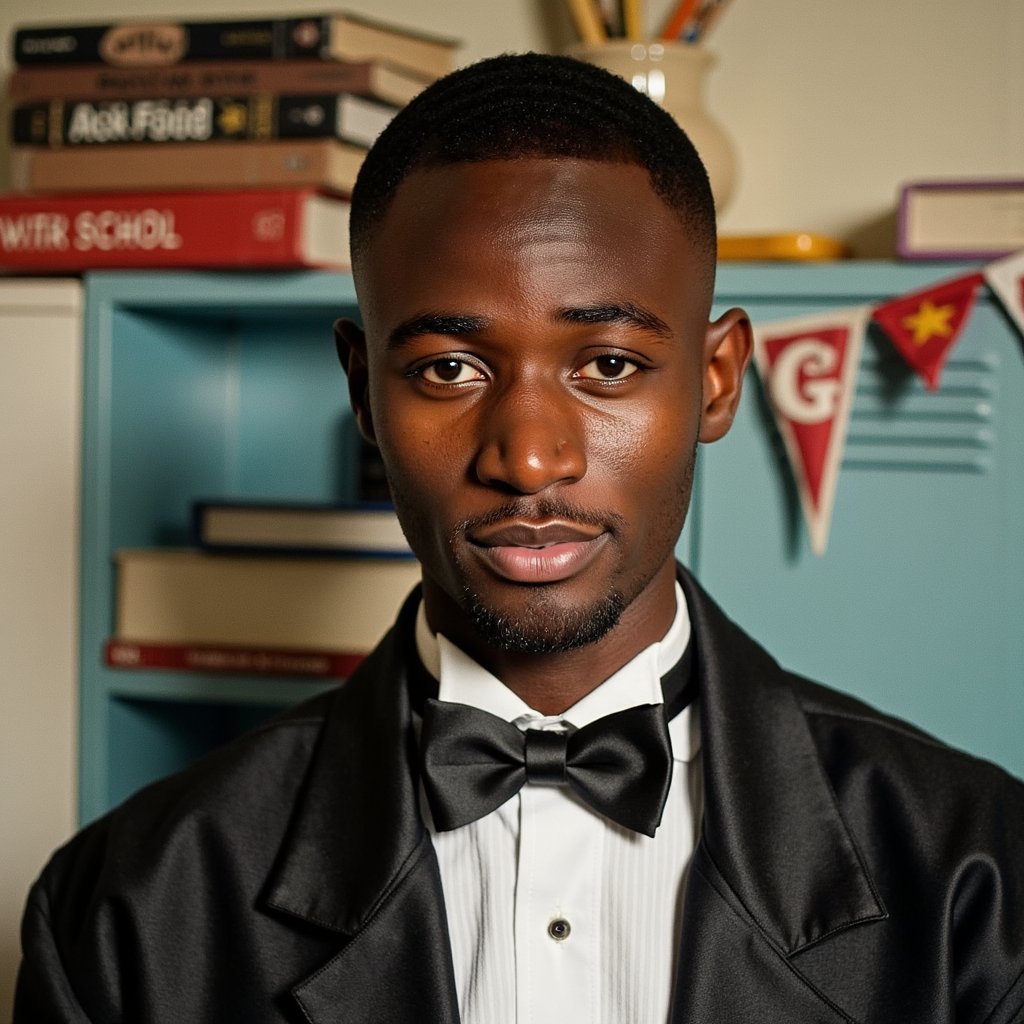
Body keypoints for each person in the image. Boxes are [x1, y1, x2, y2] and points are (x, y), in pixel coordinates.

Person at [15, 53, 1024, 1024]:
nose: (529, 459)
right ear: (362, 386)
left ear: (715, 379)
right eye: (450, 369)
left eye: (610, 364)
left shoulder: (983, 876)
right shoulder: (124, 907)